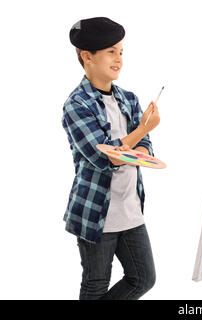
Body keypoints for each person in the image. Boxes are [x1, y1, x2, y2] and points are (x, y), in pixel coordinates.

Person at [61, 17, 160, 300]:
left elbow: (144, 146)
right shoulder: (76, 105)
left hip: (131, 211)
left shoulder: (128, 98)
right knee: (95, 285)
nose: (118, 59)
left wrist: (142, 148)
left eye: (121, 51)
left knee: (143, 278)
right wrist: (141, 130)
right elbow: (103, 156)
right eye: (110, 52)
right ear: (87, 56)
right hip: (95, 215)